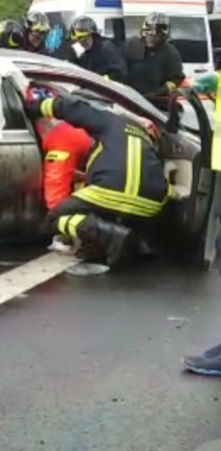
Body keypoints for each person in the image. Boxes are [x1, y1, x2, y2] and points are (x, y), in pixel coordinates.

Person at [24, 86, 170, 266]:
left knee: (53, 219)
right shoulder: (142, 133)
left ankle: (111, 235)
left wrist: (34, 107)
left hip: (111, 191)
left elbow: (71, 107)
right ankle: (139, 242)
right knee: (122, 206)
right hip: (152, 202)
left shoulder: (107, 120)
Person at [24, 84, 94, 213]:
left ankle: (62, 219)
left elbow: (56, 182)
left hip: (62, 138)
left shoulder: (20, 83)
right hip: (74, 131)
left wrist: (56, 217)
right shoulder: (50, 87)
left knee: (55, 194)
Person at [124, 12, 185, 107]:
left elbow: (176, 79)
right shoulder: (131, 44)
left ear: (163, 37)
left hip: (155, 103)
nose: (152, 39)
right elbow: (120, 67)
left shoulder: (170, 53)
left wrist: (158, 92)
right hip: (129, 98)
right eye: (149, 35)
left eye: (157, 36)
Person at [68, 15, 128, 83]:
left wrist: (103, 80)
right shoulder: (86, 54)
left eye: (85, 39)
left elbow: (119, 73)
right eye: (79, 40)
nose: (83, 43)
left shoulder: (107, 49)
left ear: (93, 35)